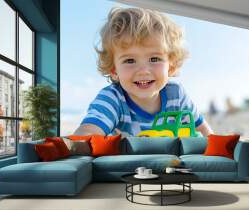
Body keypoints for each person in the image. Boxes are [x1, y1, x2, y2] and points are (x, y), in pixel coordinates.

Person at [74, 7, 213, 137]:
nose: (143, 71)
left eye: (154, 58)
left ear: (170, 66)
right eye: (130, 61)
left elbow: (203, 131)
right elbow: (89, 130)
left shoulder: (176, 95)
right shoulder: (113, 98)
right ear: (114, 70)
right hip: (129, 163)